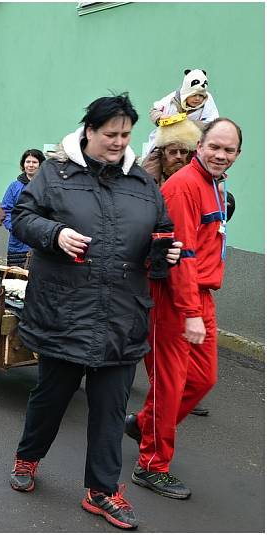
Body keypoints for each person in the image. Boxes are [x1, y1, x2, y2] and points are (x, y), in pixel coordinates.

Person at [7, 94, 181, 530]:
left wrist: (166, 251)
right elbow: (22, 216)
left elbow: (160, 234)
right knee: (51, 398)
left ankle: (102, 491)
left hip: (123, 314)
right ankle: (28, 457)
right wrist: (55, 233)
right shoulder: (55, 172)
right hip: (66, 310)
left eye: (125, 134)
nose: (119, 142)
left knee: (109, 408)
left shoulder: (143, 184)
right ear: (89, 131)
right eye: (110, 134)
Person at [124, 118, 242, 500]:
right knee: (170, 385)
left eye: (229, 150)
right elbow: (181, 256)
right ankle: (152, 465)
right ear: (200, 147)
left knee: (202, 379)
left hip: (201, 296)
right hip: (174, 298)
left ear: (237, 154)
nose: (221, 155)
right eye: (215, 147)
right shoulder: (184, 187)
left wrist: (199, 307)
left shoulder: (213, 185)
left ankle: (145, 424)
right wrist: (190, 311)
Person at [144, 69, 219, 155]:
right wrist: (160, 117)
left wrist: (185, 124)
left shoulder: (208, 102)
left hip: (193, 147)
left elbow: (212, 125)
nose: (197, 99)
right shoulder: (173, 98)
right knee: (151, 164)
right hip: (166, 144)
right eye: (194, 95)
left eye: (201, 96)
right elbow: (154, 110)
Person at [1, 149, 45, 267]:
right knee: (15, 280)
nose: (30, 165)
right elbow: (5, 210)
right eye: (27, 161)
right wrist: (14, 228)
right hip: (17, 244)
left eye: (34, 162)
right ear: (23, 164)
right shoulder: (14, 186)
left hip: (39, 244)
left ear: (40, 165)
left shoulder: (46, 186)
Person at [140, 115, 202, 186]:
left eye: (183, 152)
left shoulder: (198, 179)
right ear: (163, 153)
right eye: (173, 152)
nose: (178, 156)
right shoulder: (150, 180)